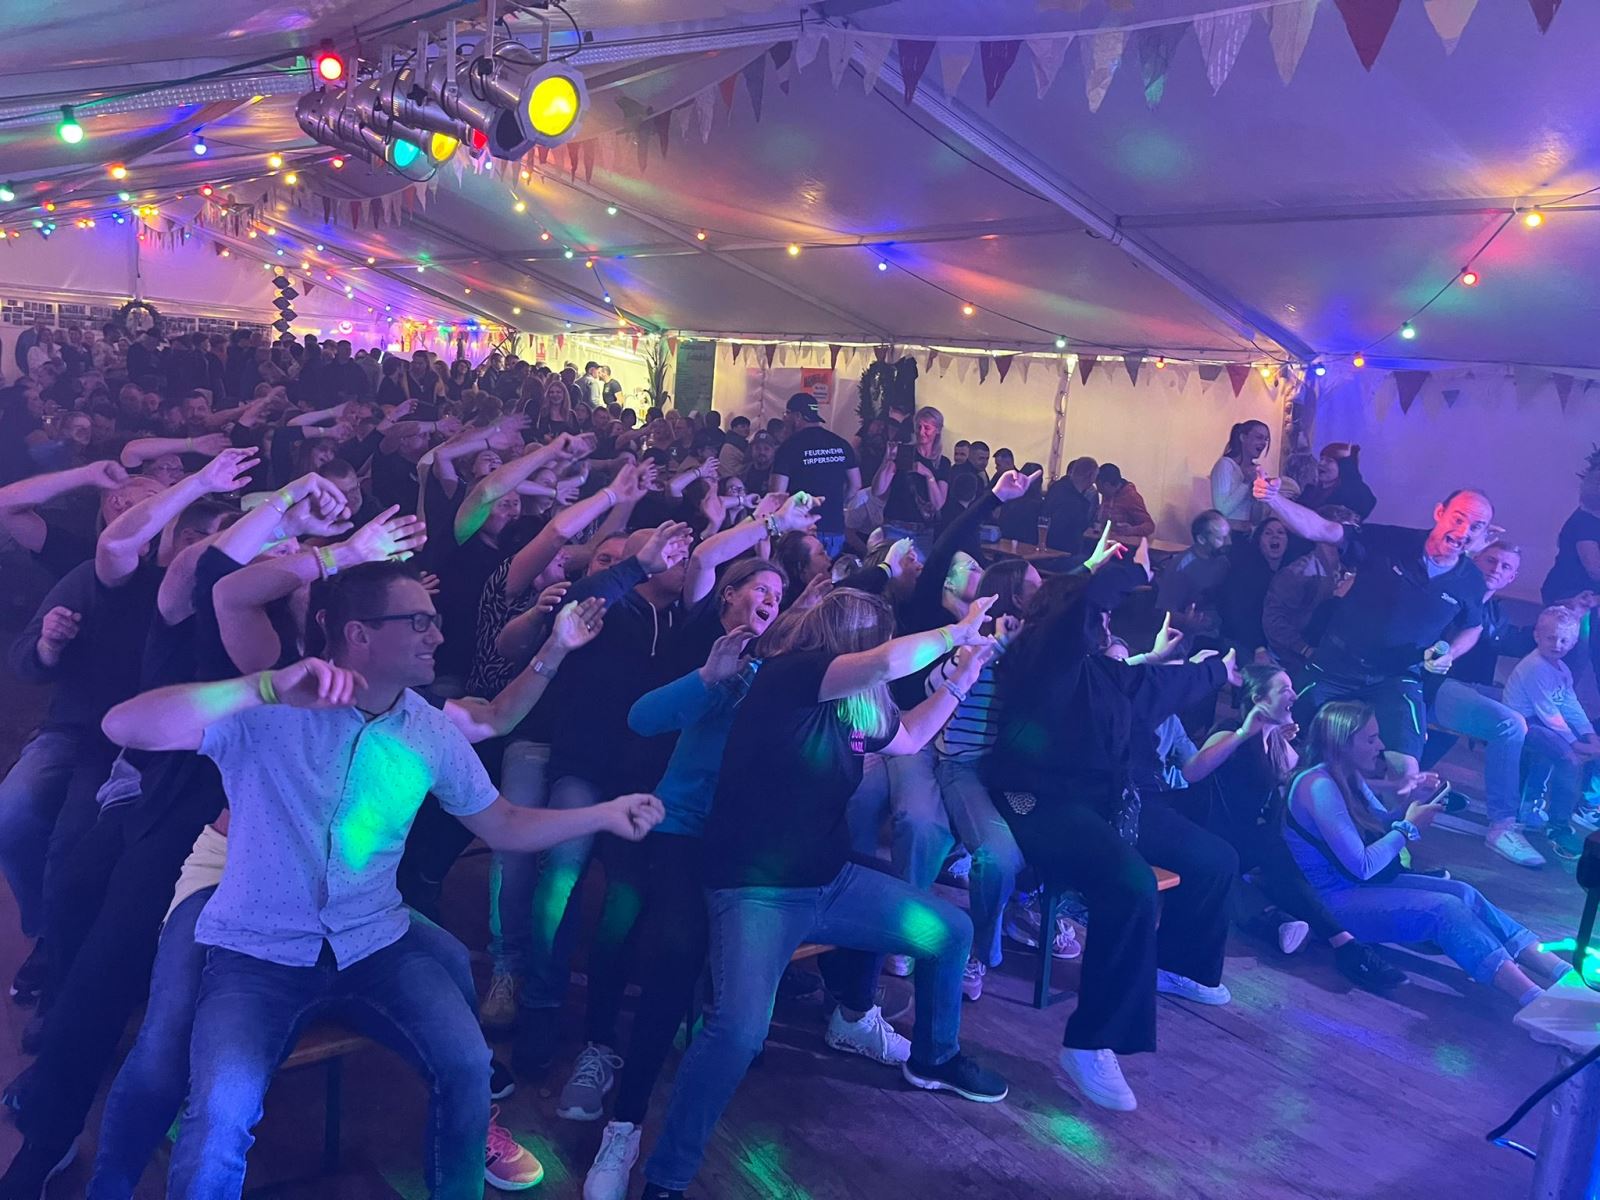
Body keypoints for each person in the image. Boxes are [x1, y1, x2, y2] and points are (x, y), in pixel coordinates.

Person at [93, 562, 664, 1198]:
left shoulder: (429, 729)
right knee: (218, 1114)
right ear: (358, 634)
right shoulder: (274, 709)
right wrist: (262, 687)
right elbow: (122, 725)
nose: (437, 636)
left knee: (467, 1064)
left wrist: (604, 815)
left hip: (373, 944)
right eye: (418, 621)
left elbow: (503, 823)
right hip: (258, 950)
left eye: (435, 621)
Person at [639, 591, 1008, 1200]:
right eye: (880, 636)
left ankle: (934, 1058)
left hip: (831, 883)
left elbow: (910, 738)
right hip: (754, 891)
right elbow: (887, 663)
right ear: (854, 640)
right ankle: (667, 1177)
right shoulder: (790, 676)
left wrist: (962, 678)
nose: (886, 647)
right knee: (738, 1033)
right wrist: (956, 632)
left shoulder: (856, 708)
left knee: (951, 931)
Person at [987, 542, 1240, 1112]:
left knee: (1209, 859)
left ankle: (1179, 968)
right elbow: (1082, 602)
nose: (1106, 624)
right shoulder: (1041, 659)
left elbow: (1155, 688)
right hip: (1035, 799)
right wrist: (1133, 570)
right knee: (1130, 884)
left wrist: (1214, 671)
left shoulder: (1101, 672)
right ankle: (1089, 1042)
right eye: (1098, 617)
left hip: (1100, 802)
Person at [1284, 702, 1566, 1008]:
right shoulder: (1318, 786)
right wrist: (1407, 828)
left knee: (1463, 892)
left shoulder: (1347, 775)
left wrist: (1412, 805)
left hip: (1359, 886)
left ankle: (1559, 970)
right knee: (1443, 909)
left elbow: (1381, 825)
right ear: (1342, 743)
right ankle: (1533, 998)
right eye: (1371, 739)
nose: (1381, 746)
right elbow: (1362, 865)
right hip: (1333, 902)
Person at [1182, 665, 1405, 990]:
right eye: (1284, 689)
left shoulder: (1276, 743)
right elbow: (1192, 773)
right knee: (1270, 850)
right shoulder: (1229, 730)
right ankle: (1340, 942)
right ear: (1258, 699)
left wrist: (1393, 787)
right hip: (1213, 835)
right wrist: (1244, 733)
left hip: (1248, 839)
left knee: (1281, 849)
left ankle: (1336, 936)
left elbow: (1309, 778)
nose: (1294, 695)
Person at [1255, 478, 1491, 779]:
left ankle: (1371, 808)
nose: (1463, 531)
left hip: (1398, 676)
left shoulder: (1471, 580)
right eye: (1458, 519)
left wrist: (1451, 654)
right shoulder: (1390, 540)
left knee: (1406, 770)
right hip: (1337, 663)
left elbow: (1473, 627)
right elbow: (1322, 529)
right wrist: (1273, 498)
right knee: (1275, 731)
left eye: (1475, 527)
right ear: (1439, 512)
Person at [1503, 605, 1600, 862]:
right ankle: (1558, 827)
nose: (1557, 645)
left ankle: (1531, 810)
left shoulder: (1562, 670)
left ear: (1573, 642)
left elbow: (1570, 705)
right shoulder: (1535, 667)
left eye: (1564, 640)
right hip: (1523, 722)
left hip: (1544, 723)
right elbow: (1547, 711)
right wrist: (1576, 745)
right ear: (1537, 636)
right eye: (1551, 638)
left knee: (1568, 751)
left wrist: (1590, 735)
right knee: (1569, 759)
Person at [771, 393, 860, 556]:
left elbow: (777, 493)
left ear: (797, 417)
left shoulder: (788, 447)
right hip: (834, 528)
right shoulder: (841, 444)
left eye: (786, 414)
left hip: (800, 530)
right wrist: (835, 504)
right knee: (828, 571)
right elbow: (855, 484)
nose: (784, 419)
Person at [872, 405, 949, 540]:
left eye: (927, 428)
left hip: (923, 530)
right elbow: (878, 490)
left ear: (937, 430)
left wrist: (928, 475)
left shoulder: (942, 462)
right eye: (918, 427)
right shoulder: (904, 452)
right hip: (895, 525)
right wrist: (888, 460)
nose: (921, 432)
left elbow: (938, 504)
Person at [1157, 510, 1232, 643]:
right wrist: (1188, 622)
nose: (1229, 542)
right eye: (1221, 538)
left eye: (1228, 535)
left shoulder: (1223, 560)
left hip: (1221, 628)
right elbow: (1164, 610)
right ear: (1201, 539)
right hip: (1190, 637)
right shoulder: (1181, 567)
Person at [1211, 420, 1271, 524]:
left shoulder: (1256, 469)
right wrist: (1246, 483)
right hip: (1228, 532)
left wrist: (1259, 495)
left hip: (1248, 531)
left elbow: (1256, 520)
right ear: (1243, 437)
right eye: (1259, 437)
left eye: (1266, 439)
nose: (1263, 443)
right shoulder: (1225, 465)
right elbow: (1221, 511)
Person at [1297, 443, 1376, 520]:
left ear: (1344, 467)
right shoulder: (1309, 491)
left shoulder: (1353, 495)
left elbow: (1366, 502)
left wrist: (1347, 464)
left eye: (1329, 461)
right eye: (1321, 459)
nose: (1321, 463)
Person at [1039, 456, 1098, 552]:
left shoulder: (1057, 487)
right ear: (1090, 476)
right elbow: (1072, 532)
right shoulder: (1076, 502)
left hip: (1045, 546)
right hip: (1063, 553)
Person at [1096, 463, 1155, 540]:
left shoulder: (1131, 497)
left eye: (1101, 489)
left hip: (1126, 544)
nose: (1100, 492)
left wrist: (1131, 530)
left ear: (1107, 485)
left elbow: (1149, 526)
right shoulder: (1108, 493)